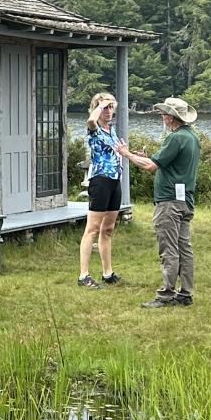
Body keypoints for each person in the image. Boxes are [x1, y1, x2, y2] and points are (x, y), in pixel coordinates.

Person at [116, 96, 200, 309]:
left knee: (169, 249)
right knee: (184, 248)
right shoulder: (191, 136)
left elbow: (150, 166)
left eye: (164, 113)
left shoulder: (176, 138)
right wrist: (143, 157)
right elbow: (160, 163)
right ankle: (186, 293)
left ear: (172, 117)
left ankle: (166, 295)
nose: (162, 117)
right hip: (184, 200)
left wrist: (126, 154)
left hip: (169, 202)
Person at [78, 92, 123, 289]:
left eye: (111, 107)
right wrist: (100, 105)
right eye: (105, 108)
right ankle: (83, 275)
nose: (109, 111)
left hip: (114, 179)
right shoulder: (93, 129)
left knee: (108, 228)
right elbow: (90, 120)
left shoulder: (111, 130)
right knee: (93, 228)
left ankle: (107, 272)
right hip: (100, 180)